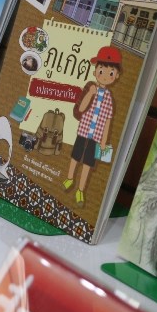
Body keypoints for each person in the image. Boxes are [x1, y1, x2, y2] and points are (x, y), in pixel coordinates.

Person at [62, 45, 121, 208]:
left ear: (116, 75)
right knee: (75, 157)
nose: (105, 76)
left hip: (96, 137)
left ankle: (80, 189)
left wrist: (104, 142)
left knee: (87, 163)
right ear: (95, 72)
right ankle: (69, 178)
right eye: (101, 71)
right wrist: (90, 94)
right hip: (83, 132)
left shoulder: (109, 99)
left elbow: (108, 121)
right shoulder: (90, 88)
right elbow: (81, 109)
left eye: (111, 73)